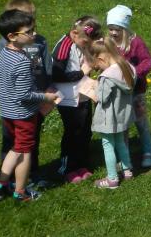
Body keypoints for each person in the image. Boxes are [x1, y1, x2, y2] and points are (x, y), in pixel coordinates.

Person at [0, 10, 59, 202]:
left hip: (7, 112)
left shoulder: (5, 53)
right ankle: (20, 192)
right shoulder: (22, 60)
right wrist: (46, 97)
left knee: (15, 148)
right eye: (28, 31)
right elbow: (24, 94)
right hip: (23, 115)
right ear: (12, 36)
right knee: (25, 151)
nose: (34, 34)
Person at [51, 16, 103, 183]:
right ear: (74, 33)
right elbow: (56, 74)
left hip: (84, 96)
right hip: (68, 99)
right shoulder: (64, 47)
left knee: (85, 131)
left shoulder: (82, 43)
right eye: (85, 42)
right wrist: (81, 73)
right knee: (72, 133)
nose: (87, 45)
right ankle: (68, 168)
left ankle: (82, 164)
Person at [106, 5, 151, 168]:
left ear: (125, 29)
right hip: (118, 93)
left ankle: (148, 152)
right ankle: (124, 156)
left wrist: (134, 73)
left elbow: (147, 61)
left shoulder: (135, 42)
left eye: (117, 29)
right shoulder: (108, 43)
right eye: (111, 29)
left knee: (141, 122)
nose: (114, 33)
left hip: (136, 91)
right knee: (122, 125)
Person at [89, 39, 136, 189]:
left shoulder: (107, 76)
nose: (98, 69)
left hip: (108, 118)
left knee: (108, 145)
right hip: (122, 115)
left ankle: (112, 179)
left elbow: (102, 98)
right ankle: (127, 170)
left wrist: (96, 87)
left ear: (101, 58)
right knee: (120, 141)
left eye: (97, 65)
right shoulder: (127, 67)